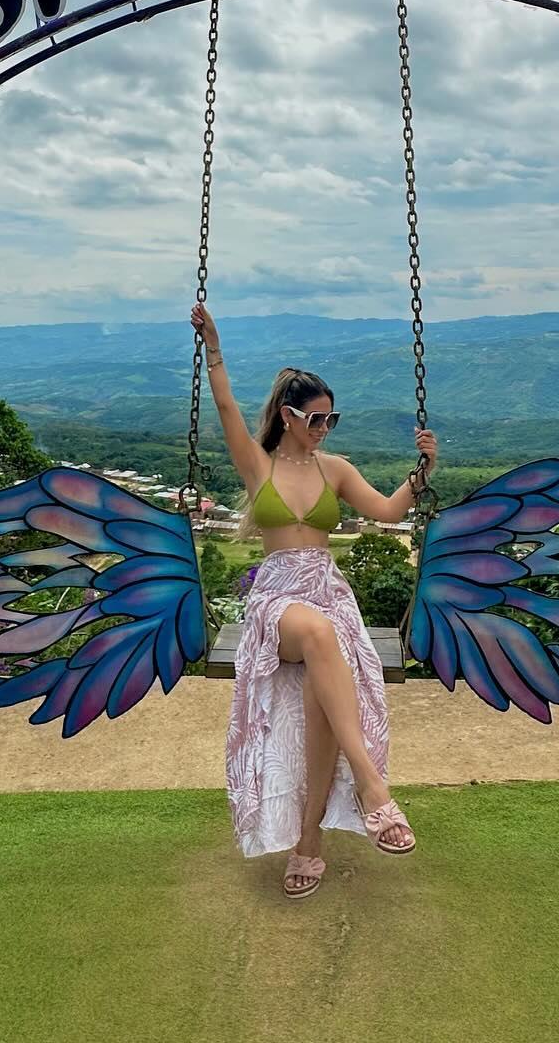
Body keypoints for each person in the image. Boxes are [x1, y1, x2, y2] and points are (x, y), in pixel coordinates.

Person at [191, 300, 438, 900]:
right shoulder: (259, 465)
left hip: (327, 591)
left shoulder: (336, 469)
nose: (325, 427)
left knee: (325, 698)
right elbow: (224, 406)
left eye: (333, 418)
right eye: (317, 418)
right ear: (288, 415)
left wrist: (421, 475)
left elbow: (386, 511)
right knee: (321, 635)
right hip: (278, 599)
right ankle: (372, 785)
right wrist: (214, 348)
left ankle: (309, 845)